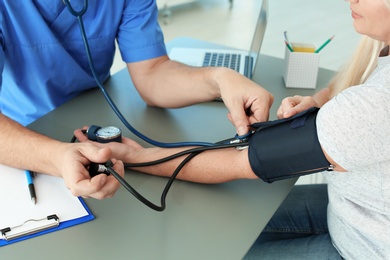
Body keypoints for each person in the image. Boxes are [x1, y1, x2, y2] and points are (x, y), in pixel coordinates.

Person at [74, 0, 390, 258]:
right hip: (356, 215)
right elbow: (350, 85)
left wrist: (135, 156)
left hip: (363, 247)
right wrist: (317, 102)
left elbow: (243, 162)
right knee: (217, 231)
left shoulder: (378, 103)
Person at [0, 1, 273, 199]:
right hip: (21, 134)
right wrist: (54, 156)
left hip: (95, 113)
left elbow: (152, 74)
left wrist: (220, 79)